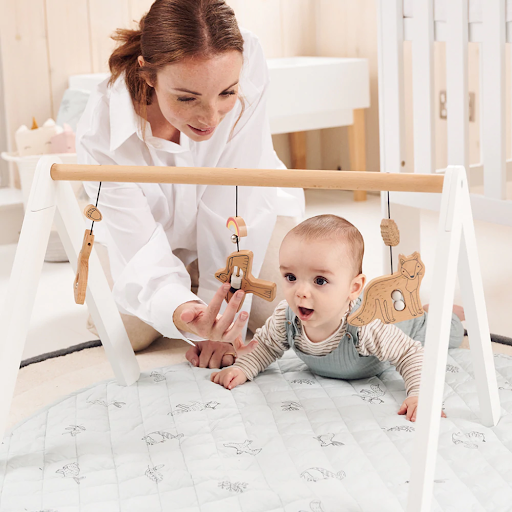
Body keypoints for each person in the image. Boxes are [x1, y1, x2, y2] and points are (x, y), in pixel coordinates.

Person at [76, 0, 304, 366]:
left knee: (287, 306)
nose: (210, 117)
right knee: (130, 331)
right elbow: (136, 244)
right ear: (149, 75)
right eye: (186, 98)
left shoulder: (247, 58)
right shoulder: (102, 128)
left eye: (227, 93)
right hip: (145, 230)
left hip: (244, 210)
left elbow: (238, 197)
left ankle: (197, 275)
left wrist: (223, 316)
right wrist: (189, 311)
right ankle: (183, 277)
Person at [211, 215, 465, 422]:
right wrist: (244, 367)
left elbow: (410, 353)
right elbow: (265, 346)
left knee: (445, 333)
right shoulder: (287, 318)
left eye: (320, 281)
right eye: (290, 277)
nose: (300, 291)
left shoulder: (365, 326)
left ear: (354, 288)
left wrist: (420, 394)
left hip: (408, 325)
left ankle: (442, 311)